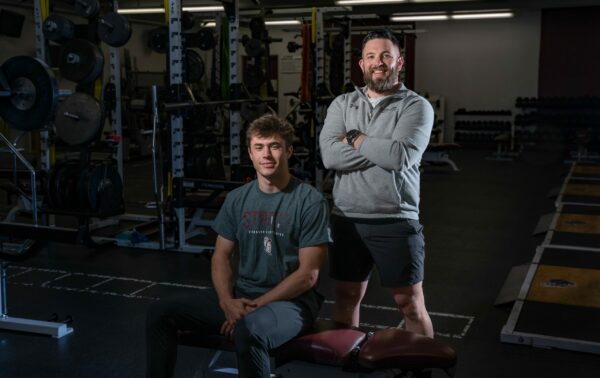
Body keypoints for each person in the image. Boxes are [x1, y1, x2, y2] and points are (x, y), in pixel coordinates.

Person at [146, 114, 329, 378]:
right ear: (250, 153)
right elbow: (221, 256)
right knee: (159, 312)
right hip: (242, 295)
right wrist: (226, 301)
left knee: (250, 329)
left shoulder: (309, 201)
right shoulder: (237, 199)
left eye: (274, 146)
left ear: (289, 151)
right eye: (259, 147)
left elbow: (308, 275)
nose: (266, 154)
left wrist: (252, 308)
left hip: (292, 304)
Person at [319, 29, 434, 338]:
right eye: (371, 56)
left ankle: (421, 369)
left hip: (395, 217)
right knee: (345, 298)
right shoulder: (342, 104)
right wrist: (380, 148)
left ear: (400, 62)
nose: (378, 62)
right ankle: (346, 363)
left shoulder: (416, 106)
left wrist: (354, 138)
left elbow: (400, 156)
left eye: (386, 55)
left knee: (409, 304)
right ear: (361, 64)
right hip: (346, 217)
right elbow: (330, 156)